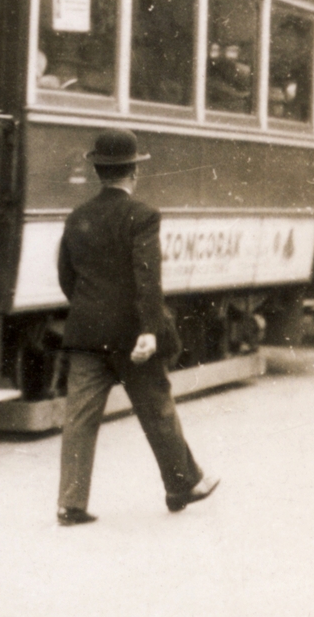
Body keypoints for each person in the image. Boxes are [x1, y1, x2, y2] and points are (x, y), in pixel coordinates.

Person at [55, 128, 218, 526]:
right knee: (156, 409)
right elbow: (148, 278)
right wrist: (148, 330)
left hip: (86, 334)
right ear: (134, 172)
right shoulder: (143, 216)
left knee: (79, 419)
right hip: (131, 337)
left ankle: (70, 504)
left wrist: (90, 309)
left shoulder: (77, 217)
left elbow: (66, 276)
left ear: (98, 171)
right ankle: (181, 485)